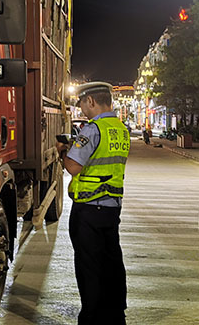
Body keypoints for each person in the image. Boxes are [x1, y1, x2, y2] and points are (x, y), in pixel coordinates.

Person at [56, 81, 130, 325]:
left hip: (88, 208)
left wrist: (62, 151)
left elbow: (74, 167)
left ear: (91, 101)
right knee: (112, 262)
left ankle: (91, 317)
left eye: (81, 103)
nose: (81, 108)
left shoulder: (92, 130)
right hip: (112, 207)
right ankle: (115, 313)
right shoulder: (120, 128)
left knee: (89, 265)